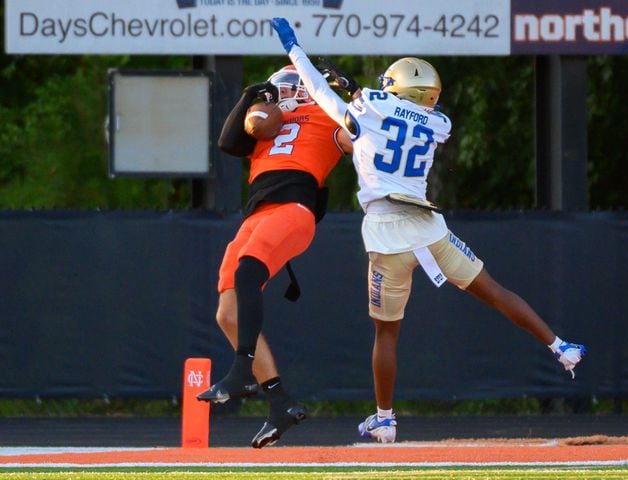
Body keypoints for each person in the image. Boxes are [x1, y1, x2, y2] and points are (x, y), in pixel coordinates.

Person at [270, 18, 587, 444]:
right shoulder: (439, 125)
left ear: (394, 86)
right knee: (494, 291)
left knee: (386, 333)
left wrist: (294, 47)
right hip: (429, 231)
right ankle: (560, 347)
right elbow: (388, 113)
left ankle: (385, 418)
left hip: (386, 234)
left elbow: (329, 96)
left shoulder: (371, 107)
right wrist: (358, 91)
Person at [196, 65, 352, 448]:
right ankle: (280, 402)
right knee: (227, 312)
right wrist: (250, 93)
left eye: (286, 86)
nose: (279, 93)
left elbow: (362, 140)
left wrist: (357, 101)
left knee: (248, 271)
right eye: (275, 88)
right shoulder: (266, 124)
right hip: (258, 214)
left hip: (293, 208)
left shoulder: (327, 113)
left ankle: (241, 371)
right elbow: (228, 143)